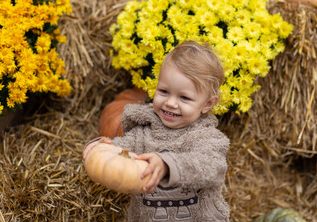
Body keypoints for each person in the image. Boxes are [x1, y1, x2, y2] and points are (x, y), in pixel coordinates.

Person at [83, 40, 230, 221]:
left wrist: (166, 164)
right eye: (164, 91)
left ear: (207, 104)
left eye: (184, 97)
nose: (170, 103)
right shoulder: (143, 132)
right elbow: (119, 151)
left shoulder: (208, 138)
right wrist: (101, 148)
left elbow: (211, 167)